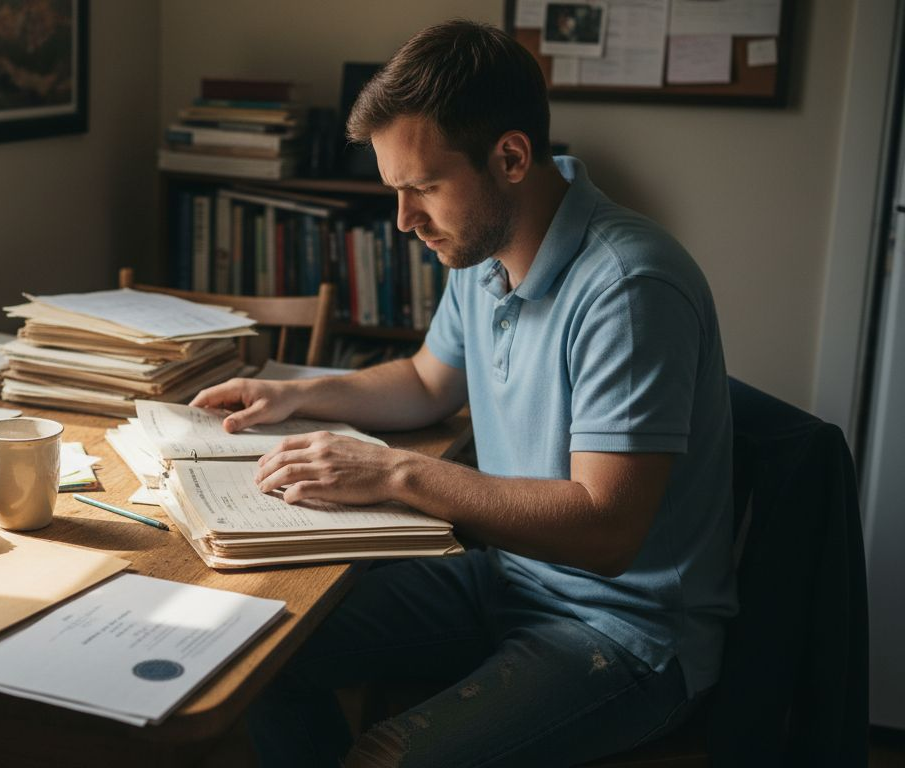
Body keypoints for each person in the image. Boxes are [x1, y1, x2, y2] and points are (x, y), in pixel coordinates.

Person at [190, 19, 737, 768]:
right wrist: (301, 396)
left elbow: (608, 530)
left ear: (510, 156)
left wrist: (396, 472)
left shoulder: (629, 286)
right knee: (257, 651)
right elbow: (423, 382)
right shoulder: (484, 253)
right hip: (507, 574)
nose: (405, 221)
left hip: (625, 633)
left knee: (386, 758)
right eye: (396, 191)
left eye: (422, 188)